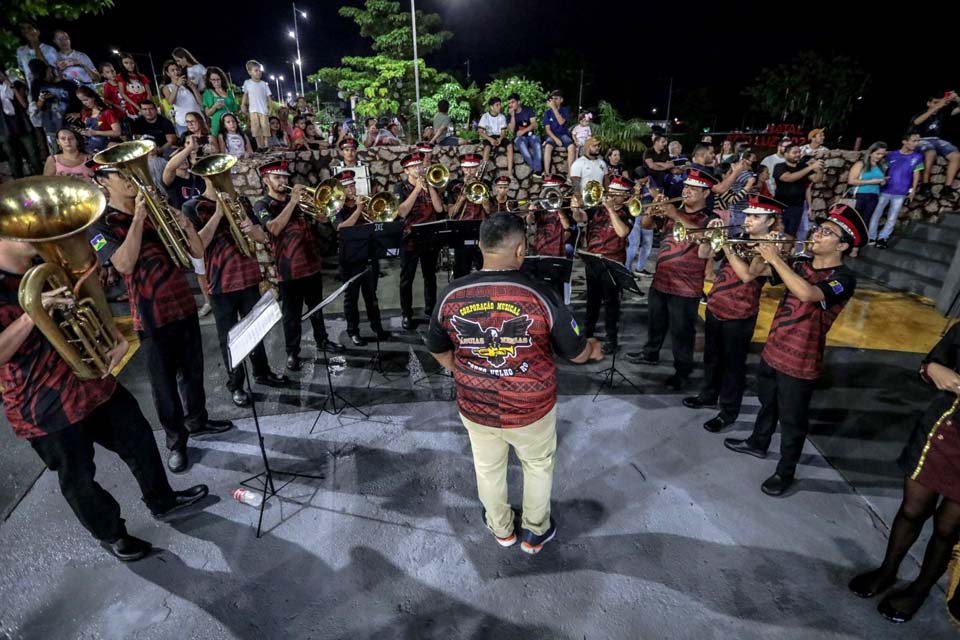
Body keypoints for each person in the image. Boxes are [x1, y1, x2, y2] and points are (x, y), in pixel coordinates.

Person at [0, 228, 210, 562]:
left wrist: (113, 336)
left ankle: (162, 499)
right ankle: (113, 535)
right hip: (42, 404)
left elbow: (84, 304)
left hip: (91, 382)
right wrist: (33, 313)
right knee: (79, 478)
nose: (39, 235)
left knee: (139, 436)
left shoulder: (47, 264)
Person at [426, 212, 604, 553]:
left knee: (488, 469)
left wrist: (465, 372)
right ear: (521, 250)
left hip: (476, 407)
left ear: (480, 246)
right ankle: (535, 533)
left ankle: (501, 529)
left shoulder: (451, 294)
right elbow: (575, 351)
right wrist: (593, 349)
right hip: (531, 409)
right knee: (537, 467)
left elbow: (437, 348)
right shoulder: (542, 295)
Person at [87, 161, 235, 473]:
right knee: (164, 385)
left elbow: (196, 253)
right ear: (103, 180)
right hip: (150, 314)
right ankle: (176, 442)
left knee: (193, 372)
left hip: (182, 304)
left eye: (131, 171)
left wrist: (185, 223)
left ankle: (199, 421)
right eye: (120, 174)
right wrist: (140, 218)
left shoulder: (159, 209)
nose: (130, 179)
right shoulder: (100, 225)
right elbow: (124, 264)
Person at [724, 204, 866, 496]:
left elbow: (808, 294)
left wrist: (777, 259)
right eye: (818, 228)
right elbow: (757, 273)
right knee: (767, 402)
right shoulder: (800, 261)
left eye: (827, 232)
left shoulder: (843, 278)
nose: (817, 234)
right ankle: (758, 442)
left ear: (842, 245)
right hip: (775, 347)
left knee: (792, 421)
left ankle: (785, 472)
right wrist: (765, 251)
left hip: (801, 358)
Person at [849, 322, 960, 623]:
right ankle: (887, 572)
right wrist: (933, 370)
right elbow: (930, 364)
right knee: (911, 511)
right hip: (940, 435)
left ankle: (920, 590)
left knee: (947, 530)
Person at [182, 161, 287, 407]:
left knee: (255, 331)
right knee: (230, 339)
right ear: (205, 177)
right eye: (218, 174)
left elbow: (262, 237)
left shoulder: (241, 201)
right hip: (220, 284)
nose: (224, 178)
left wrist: (251, 229)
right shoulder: (192, 207)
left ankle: (263, 372)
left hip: (249, 278)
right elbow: (197, 247)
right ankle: (236, 385)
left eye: (225, 172)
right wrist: (218, 214)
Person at [683, 195, 783, 432]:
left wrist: (726, 245)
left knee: (733, 367)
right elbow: (703, 255)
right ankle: (708, 395)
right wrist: (710, 234)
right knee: (712, 358)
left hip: (740, 314)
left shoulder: (773, 247)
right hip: (717, 307)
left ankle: (728, 412)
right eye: (748, 215)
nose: (747, 220)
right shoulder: (738, 237)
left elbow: (748, 275)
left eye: (755, 217)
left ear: (770, 222)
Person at [626, 169, 720, 389]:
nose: (686, 191)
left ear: (705, 193)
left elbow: (703, 238)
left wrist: (675, 215)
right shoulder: (673, 211)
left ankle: (682, 371)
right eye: (686, 187)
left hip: (686, 287)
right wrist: (654, 209)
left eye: (693, 189)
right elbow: (648, 225)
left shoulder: (711, 218)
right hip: (662, 279)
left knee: (682, 332)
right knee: (656, 323)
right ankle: (650, 353)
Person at [252, 160, 345, 371]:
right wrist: (293, 201)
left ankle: (323, 340)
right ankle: (292, 352)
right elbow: (273, 228)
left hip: (311, 263)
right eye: (277, 177)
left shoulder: (299, 202)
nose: (283, 180)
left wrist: (319, 206)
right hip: (289, 269)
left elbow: (322, 216)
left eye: (285, 176)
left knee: (317, 308)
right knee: (291, 314)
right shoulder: (263, 205)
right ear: (266, 180)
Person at [574, 176, 634, 353]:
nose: (612, 195)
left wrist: (610, 209)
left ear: (625, 196)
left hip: (613, 262)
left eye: (617, 192)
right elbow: (580, 217)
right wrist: (576, 208)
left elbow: (622, 232)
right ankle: (588, 334)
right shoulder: (596, 209)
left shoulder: (629, 212)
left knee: (611, 303)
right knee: (591, 301)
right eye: (612, 190)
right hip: (593, 259)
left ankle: (612, 340)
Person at [333, 169, 392, 346]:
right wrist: (359, 209)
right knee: (351, 298)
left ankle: (377, 327)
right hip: (349, 260)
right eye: (346, 187)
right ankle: (353, 331)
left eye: (352, 185)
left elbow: (379, 224)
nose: (351, 189)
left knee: (371, 296)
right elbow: (342, 228)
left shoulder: (365, 203)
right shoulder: (336, 207)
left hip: (369, 255)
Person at [394, 152, 444, 330]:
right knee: (406, 279)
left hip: (430, 238)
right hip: (409, 239)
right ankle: (406, 313)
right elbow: (401, 212)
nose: (418, 168)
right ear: (406, 170)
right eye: (414, 166)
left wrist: (429, 186)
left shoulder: (431, 183)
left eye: (419, 165)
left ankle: (431, 310)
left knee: (430, 277)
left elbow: (439, 208)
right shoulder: (400, 187)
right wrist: (417, 189)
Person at [870, 132, 924, 248]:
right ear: (904, 142)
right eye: (914, 141)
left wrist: (913, 190)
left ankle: (883, 238)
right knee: (876, 214)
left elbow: (916, 174)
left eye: (918, 141)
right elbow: (883, 169)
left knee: (892, 217)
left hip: (901, 192)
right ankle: (871, 237)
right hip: (885, 190)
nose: (917, 143)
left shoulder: (917, 157)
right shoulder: (891, 155)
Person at [447, 152, 493, 278]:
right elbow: (451, 214)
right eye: (466, 168)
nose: (469, 171)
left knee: (484, 270)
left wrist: (480, 187)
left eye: (473, 167)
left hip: (481, 230)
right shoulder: (454, 185)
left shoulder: (486, 184)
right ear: (462, 169)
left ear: (478, 168)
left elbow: (489, 210)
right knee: (461, 270)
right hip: (461, 231)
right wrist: (463, 196)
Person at [910, 92, 960, 199]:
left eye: (939, 101)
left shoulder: (943, 114)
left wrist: (957, 98)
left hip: (937, 140)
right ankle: (925, 185)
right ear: (928, 103)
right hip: (921, 139)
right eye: (935, 102)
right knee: (930, 152)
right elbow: (917, 122)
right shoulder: (921, 113)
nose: (938, 104)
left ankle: (947, 188)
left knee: (956, 155)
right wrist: (938, 106)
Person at [28, 59, 82, 154]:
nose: (46, 78)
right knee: (57, 156)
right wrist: (41, 99)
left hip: (72, 125)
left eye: (46, 74)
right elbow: (38, 107)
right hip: (52, 127)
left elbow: (83, 102)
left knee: (78, 152)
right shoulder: (36, 84)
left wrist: (79, 114)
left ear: (49, 69)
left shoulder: (70, 84)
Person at [773, 141, 824, 237]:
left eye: (799, 152)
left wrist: (820, 170)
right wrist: (811, 167)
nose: (798, 155)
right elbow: (788, 178)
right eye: (794, 153)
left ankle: (786, 252)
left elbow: (817, 180)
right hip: (780, 205)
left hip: (797, 206)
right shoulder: (780, 167)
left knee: (791, 232)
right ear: (786, 154)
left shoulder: (803, 167)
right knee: (777, 230)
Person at [1, 70, 43, 178]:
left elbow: (24, 105)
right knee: (13, 157)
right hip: (4, 128)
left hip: (21, 125)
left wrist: (11, 86)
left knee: (32, 152)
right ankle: (18, 183)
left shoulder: (12, 86)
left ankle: (41, 177)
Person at [847, 142, 888, 247]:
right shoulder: (861, 164)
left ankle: (857, 245)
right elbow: (851, 181)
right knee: (855, 220)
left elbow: (881, 181)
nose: (880, 156)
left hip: (874, 196)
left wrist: (882, 181)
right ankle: (849, 242)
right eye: (878, 153)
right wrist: (871, 181)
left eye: (882, 154)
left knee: (866, 221)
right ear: (871, 152)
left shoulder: (881, 165)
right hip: (860, 195)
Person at [624, 167, 655, 277]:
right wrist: (636, 192)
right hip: (635, 217)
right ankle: (627, 270)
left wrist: (649, 188)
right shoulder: (630, 187)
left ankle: (640, 268)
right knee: (634, 244)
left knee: (647, 244)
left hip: (647, 215)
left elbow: (656, 197)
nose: (645, 181)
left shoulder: (650, 183)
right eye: (642, 179)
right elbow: (627, 204)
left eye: (646, 178)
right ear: (637, 179)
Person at [161, 60, 203, 136]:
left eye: (177, 69)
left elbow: (201, 102)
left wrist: (193, 88)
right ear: (168, 73)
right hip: (184, 122)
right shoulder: (167, 87)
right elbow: (170, 102)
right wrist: (177, 85)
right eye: (172, 70)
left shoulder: (187, 85)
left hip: (198, 119)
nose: (176, 72)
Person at [76, 86, 122, 155]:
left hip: (108, 142)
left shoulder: (107, 112)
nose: (84, 103)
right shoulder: (85, 113)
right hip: (92, 145)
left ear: (93, 97)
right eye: (82, 101)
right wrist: (83, 132)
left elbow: (117, 132)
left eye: (86, 100)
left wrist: (95, 132)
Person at [507, 93, 543, 178]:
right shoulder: (509, 115)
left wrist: (524, 131)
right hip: (519, 138)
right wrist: (512, 116)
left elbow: (534, 124)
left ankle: (537, 170)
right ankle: (538, 170)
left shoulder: (528, 110)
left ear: (519, 102)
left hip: (531, 135)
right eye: (509, 103)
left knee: (537, 146)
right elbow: (512, 131)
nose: (510, 105)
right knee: (525, 152)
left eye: (512, 102)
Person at [15, 23, 58, 89]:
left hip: (49, 89)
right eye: (23, 28)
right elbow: (23, 71)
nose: (26, 31)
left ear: (38, 32)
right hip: (32, 90)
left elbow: (51, 70)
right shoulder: (20, 51)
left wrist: (35, 45)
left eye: (29, 28)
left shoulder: (49, 49)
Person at [542, 90, 575, 176]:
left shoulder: (565, 110)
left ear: (561, 100)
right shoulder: (547, 113)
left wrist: (554, 109)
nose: (553, 101)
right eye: (552, 99)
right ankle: (547, 173)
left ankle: (570, 174)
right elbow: (547, 130)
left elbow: (561, 122)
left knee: (571, 147)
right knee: (548, 146)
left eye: (556, 99)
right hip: (552, 135)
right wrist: (556, 139)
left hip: (563, 134)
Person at [241, 60, 272, 149]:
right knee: (255, 128)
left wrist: (270, 109)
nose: (259, 72)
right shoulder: (247, 83)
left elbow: (269, 97)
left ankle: (266, 145)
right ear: (250, 72)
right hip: (253, 110)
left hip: (263, 110)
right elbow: (245, 95)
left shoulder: (264, 84)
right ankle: (259, 146)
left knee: (265, 127)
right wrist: (243, 105)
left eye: (259, 70)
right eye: (256, 70)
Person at [478, 96, 512, 176]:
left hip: (499, 136)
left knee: (510, 146)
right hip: (489, 136)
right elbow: (480, 132)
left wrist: (500, 139)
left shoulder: (502, 117)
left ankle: (510, 173)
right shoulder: (485, 116)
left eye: (500, 104)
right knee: (487, 148)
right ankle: (483, 173)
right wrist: (490, 139)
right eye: (497, 105)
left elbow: (503, 132)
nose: (500, 107)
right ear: (491, 107)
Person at [203, 67, 238, 137]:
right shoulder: (208, 93)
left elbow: (235, 109)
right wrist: (215, 106)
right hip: (217, 124)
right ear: (209, 80)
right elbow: (207, 113)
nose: (216, 82)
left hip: (231, 123)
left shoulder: (229, 91)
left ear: (222, 79)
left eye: (218, 79)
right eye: (213, 79)